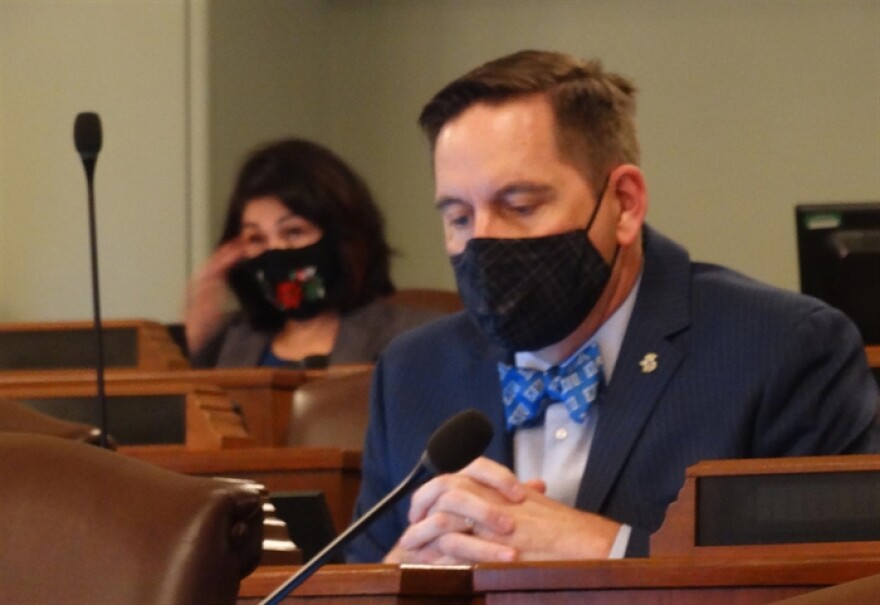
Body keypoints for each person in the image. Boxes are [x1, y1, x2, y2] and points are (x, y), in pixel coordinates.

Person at [346, 50, 880, 563]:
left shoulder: (782, 348)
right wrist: (403, 573)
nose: (484, 242)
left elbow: (833, 576)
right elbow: (359, 577)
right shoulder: (412, 374)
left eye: (520, 206)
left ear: (624, 203)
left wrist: (609, 551)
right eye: (460, 217)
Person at [185, 138, 439, 368]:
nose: (275, 252)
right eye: (256, 238)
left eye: (293, 232)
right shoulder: (229, 342)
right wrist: (198, 339)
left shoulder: (415, 338)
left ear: (342, 236)